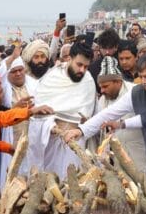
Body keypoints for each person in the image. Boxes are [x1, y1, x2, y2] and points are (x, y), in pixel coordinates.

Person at [65, 52, 146, 214]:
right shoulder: (137, 93)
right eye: (141, 76)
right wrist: (81, 130)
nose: (143, 81)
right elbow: (109, 114)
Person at [0, 72, 52, 214]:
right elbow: (2, 118)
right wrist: (30, 111)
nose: (3, 94)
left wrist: (9, 148)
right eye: (0, 91)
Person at [27, 42, 96, 180]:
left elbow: (91, 115)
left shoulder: (88, 80)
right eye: (79, 64)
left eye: (86, 66)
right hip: (51, 143)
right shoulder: (51, 78)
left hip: (76, 145)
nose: (82, 70)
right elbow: (38, 115)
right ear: (69, 58)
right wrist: (50, 127)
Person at [0, 56, 38, 189]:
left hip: (32, 139)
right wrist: (16, 108)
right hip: (12, 140)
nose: (18, 73)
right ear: (8, 74)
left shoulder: (35, 85)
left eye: (20, 70)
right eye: (14, 71)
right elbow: (1, 116)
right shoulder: (3, 90)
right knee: (13, 175)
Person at [88, 28, 120, 93]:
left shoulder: (122, 64)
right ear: (99, 47)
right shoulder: (93, 67)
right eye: (104, 48)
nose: (107, 52)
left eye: (110, 48)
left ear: (116, 47)